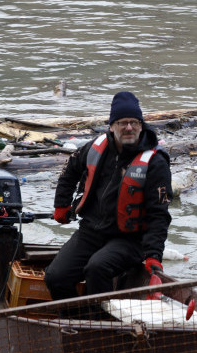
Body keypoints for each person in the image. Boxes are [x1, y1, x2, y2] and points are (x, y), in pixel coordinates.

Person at [45, 91, 173, 299]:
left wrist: (154, 256)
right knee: (55, 277)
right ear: (112, 126)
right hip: (91, 231)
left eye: (134, 122)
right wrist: (61, 205)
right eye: (122, 123)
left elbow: (159, 214)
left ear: (141, 125)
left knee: (97, 268)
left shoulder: (155, 162)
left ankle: (101, 318)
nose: (129, 128)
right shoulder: (96, 147)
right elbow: (70, 171)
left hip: (130, 240)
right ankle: (75, 317)